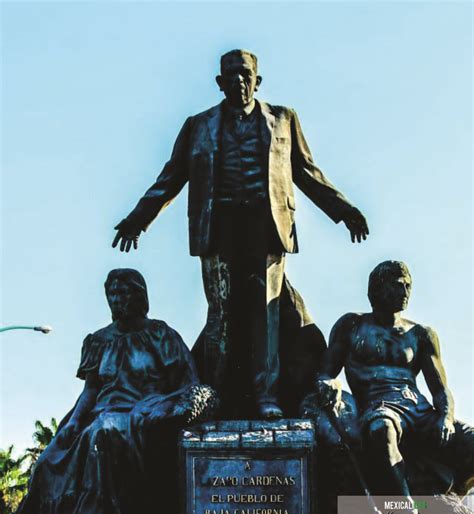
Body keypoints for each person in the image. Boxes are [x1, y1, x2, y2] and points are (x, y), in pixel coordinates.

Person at [112, 49, 369, 420]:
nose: (238, 80)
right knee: (221, 313)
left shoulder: (283, 120)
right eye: (230, 74)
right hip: (218, 229)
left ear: (257, 80)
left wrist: (343, 211)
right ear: (219, 82)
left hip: (266, 229)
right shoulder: (197, 126)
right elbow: (170, 178)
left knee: (266, 315)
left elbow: (308, 173)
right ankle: (214, 394)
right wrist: (138, 219)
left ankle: (267, 396)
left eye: (245, 74)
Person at [4, 269, 217, 514]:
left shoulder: (161, 335)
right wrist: (72, 424)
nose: (117, 299)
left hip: (145, 411)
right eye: (112, 294)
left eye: (124, 292)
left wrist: (163, 409)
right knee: (48, 460)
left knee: (102, 433)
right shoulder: (99, 341)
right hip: (102, 411)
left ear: (139, 296)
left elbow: (189, 384)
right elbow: (90, 391)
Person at [307, 260, 473, 502]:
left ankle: (452, 489)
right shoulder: (352, 325)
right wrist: (329, 383)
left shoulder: (421, 335)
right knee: (381, 430)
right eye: (397, 286)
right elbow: (325, 374)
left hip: (420, 411)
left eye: (408, 286)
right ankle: (405, 512)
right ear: (377, 288)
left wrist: (446, 418)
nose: (405, 292)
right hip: (379, 408)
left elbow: (440, 389)